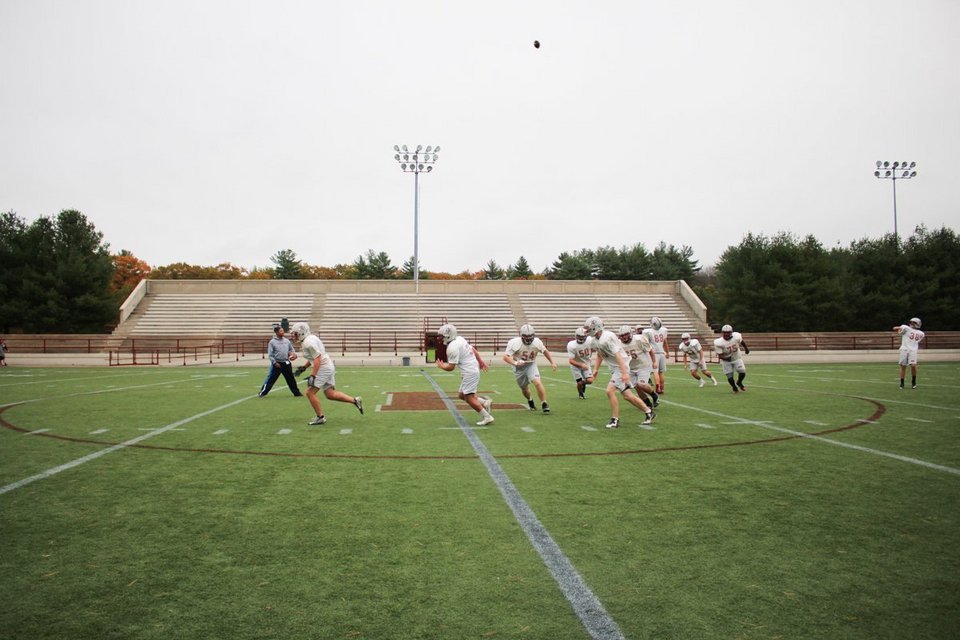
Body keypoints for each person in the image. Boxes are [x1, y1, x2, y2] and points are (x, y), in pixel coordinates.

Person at [584, 316, 655, 428]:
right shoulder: (594, 341)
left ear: (596, 327)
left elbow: (618, 355)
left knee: (609, 391)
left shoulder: (607, 337)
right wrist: (596, 370)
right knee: (627, 396)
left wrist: (625, 373)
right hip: (615, 368)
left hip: (621, 367)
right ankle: (648, 412)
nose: (587, 330)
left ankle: (615, 419)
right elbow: (599, 354)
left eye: (589, 328)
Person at [289, 322, 363, 425]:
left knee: (310, 392)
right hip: (327, 365)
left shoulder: (308, 342)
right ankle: (355, 400)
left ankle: (320, 417)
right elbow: (314, 357)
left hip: (323, 367)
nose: (294, 336)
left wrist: (313, 376)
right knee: (330, 394)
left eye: (295, 333)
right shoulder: (310, 338)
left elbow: (317, 359)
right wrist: (303, 368)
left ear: (302, 332)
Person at [434, 323, 495, 426]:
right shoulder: (460, 339)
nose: (439, 338)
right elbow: (473, 349)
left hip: (469, 372)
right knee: (462, 395)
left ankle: (487, 416)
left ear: (448, 336)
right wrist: (480, 361)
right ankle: (485, 403)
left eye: (441, 336)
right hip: (471, 369)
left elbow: (451, 367)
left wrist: (441, 366)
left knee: (469, 397)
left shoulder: (452, 347)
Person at [502, 323, 558, 413]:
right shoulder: (514, 343)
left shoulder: (537, 342)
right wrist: (515, 363)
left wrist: (552, 362)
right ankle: (530, 400)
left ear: (533, 335)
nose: (528, 338)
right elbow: (505, 357)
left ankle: (544, 403)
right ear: (521, 335)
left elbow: (545, 351)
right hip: (518, 368)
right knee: (525, 388)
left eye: (530, 336)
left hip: (531, 364)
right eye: (525, 336)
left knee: (538, 382)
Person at [616, 325, 661, 409]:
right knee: (636, 387)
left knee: (641, 384)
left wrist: (654, 361)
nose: (624, 337)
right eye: (622, 335)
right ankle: (647, 403)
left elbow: (650, 350)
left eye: (626, 334)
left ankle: (654, 395)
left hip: (643, 365)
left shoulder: (639, 339)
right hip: (630, 368)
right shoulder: (618, 343)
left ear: (630, 333)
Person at [259, 325, 303, 397]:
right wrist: (274, 362)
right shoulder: (272, 342)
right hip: (277, 364)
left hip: (286, 363)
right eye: (281, 331)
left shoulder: (286, 341)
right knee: (271, 379)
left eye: (283, 331)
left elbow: (291, 350)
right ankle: (263, 392)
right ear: (277, 332)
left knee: (291, 379)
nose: (283, 332)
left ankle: (296, 393)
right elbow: (270, 354)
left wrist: (293, 355)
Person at [713, 324, 750, 393]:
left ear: (731, 332)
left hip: (736, 358)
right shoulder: (719, 342)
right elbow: (720, 356)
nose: (726, 334)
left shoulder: (736, 336)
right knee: (730, 377)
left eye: (728, 332)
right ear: (722, 332)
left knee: (742, 372)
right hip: (726, 360)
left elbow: (741, 341)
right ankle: (734, 387)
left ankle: (739, 382)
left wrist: (746, 348)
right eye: (725, 332)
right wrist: (727, 359)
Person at [893, 317, 925, 389]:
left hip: (913, 350)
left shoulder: (921, 333)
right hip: (904, 349)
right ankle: (902, 383)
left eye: (914, 323)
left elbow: (916, 341)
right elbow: (894, 328)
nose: (912, 324)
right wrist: (899, 327)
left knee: (913, 365)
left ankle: (913, 381)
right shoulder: (906, 328)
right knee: (903, 366)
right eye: (911, 322)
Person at [641, 316, 669, 393]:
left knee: (655, 371)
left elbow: (645, 342)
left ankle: (658, 387)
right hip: (662, 353)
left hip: (654, 353)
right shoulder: (664, 330)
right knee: (661, 372)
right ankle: (662, 388)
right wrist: (667, 352)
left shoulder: (648, 331)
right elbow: (665, 342)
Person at [566, 326, 595, 399]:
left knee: (590, 380)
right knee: (579, 383)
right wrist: (580, 364)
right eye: (579, 336)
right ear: (576, 336)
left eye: (582, 336)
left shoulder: (589, 340)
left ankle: (582, 383)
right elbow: (571, 360)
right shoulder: (571, 345)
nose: (581, 338)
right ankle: (580, 394)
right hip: (576, 364)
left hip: (586, 362)